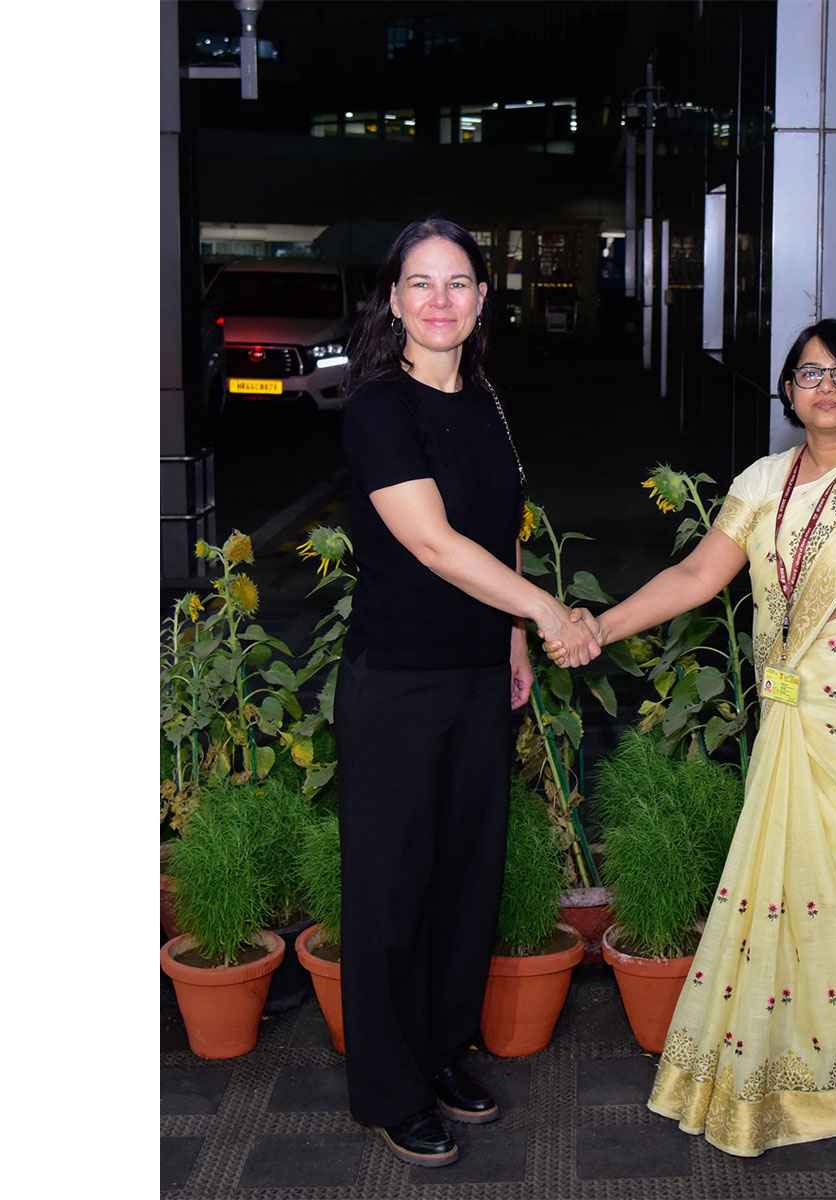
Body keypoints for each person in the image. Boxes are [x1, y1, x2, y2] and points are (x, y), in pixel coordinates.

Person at [547, 318, 836, 1157]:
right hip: (794, 717)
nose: (826, 387)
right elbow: (695, 575)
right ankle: (778, 1057)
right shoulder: (761, 481)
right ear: (788, 391)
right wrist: (597, 627)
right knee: (790, 890)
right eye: (809, 373)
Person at [334, 217, 601, 1168]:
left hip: (477, 674)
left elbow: (500, 530)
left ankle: (443, 1052)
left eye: (458, 283)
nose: (439, 300)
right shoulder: (378, 408)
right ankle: (389, 1087)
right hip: (397, 684)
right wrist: (552, 613)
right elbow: (436, 543)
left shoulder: (484, 401)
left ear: (483, 299)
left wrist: (514, 638)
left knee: (464, 877)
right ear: (394, 300)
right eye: (421, 283)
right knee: (392, 887)